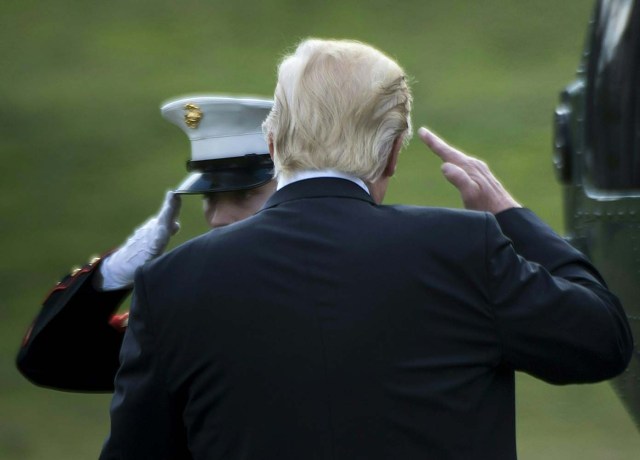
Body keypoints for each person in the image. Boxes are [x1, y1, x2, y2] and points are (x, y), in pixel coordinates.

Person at [99, 39, 633, 460]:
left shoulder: (172, 282)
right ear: (394, 152)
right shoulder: (463, 249)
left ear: (272, 140)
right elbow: (601, 341)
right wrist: (510, 216)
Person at [16, 95, 276, 392]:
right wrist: (114, 273)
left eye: (244, 194)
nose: (217, 218)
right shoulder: (199, 313)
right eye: (210, 197)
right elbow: (51, 360)